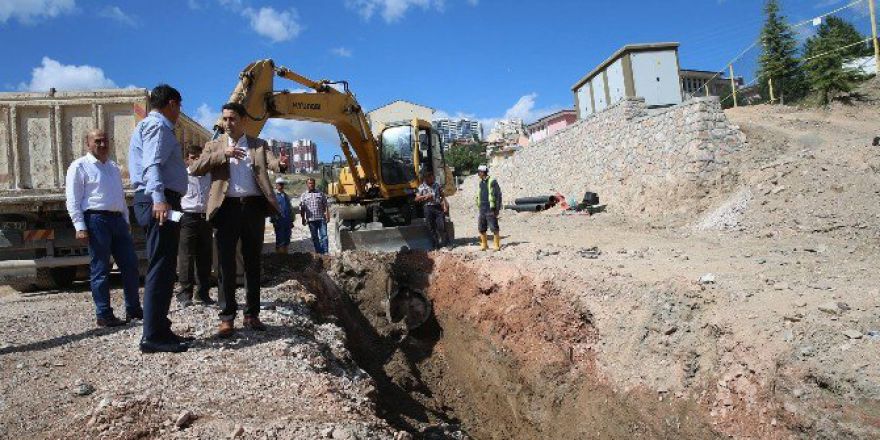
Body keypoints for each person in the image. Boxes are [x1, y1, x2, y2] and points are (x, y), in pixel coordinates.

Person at [190, 102, 287, 338]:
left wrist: (281, 164)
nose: (227, 123)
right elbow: (195, 168)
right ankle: (227, 318)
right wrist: (223, 154)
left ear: (243, 120)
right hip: (226, 209)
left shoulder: (258, 145)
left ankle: (252, 315)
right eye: (224, 119)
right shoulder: (214, 145)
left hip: (253, 208)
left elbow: (273, 164)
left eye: (232, 119)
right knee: (225, 264)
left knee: (253, 263)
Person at [129, 84, 189, 353]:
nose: (179, 113)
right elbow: (152, 164)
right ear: (172, 103)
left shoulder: (149, 125)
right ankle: (152, 335)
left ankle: (160, 328)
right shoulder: (159, 126)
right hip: (160, 200)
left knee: (165, 265)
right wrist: (160, 199)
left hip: (162, 199)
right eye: (179, 107)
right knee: (161, 267)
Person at [65, 129, 143, 328]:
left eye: (105, 141)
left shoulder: (113, 167)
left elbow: (120, 196)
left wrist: (126, 220)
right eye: (97, 141)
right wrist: (79, 226)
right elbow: (73, 199)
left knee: (131, 266)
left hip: (117, 221)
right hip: (96, 220)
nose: (102, 144)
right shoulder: (79, 166)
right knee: (100, 269)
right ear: (88, 144)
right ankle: (103, 314)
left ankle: (133, 309)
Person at [175, 144, 215, 307]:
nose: (196, 160)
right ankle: (185, 293)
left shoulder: (209, 175)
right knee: (186, 257)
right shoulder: (182, 176)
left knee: (205, 256)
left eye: (199, 157)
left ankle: (203, 293)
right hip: (188, 217)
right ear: (186, 160)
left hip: (205, 218)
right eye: (193, 157)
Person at [415, 171, 448, 249]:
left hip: (438, 207)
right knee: (431, 227)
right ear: (426, 179)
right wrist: (425, 196)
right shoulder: (421, 187)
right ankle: (436, 245)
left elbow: (442, 196)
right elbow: (416, 199)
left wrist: (445, 205)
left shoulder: (437, 185)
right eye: (430, 178)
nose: (432, 179)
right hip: (428, 208)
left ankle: (447, 243)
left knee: (441, 226)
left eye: (433, 178)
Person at [475, 164, 502, 251]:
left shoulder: (492, 181)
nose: (478, 174)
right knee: (481, 227)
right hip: (482, 208)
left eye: (479, 172)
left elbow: (498, 195)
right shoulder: (481, 182)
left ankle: (496, 245)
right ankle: (484, 244)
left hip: (490, 208)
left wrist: (497, 209)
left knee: (494, 227)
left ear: (483, 172)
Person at [299, 178, 329, 254]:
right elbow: (302, 208)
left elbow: (325, 205)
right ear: (307, 184)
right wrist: (303, 218)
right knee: (315, 237)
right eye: (309, 183)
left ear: (314, 184)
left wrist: (327, 215)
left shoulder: (320, 193)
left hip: (321, 218)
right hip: (311, 220)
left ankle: (325, 252)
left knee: (324, 236)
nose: (311, 184)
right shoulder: (303, 195)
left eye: (312, 183)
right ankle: (319, 253)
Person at [271, 177, 294, 254]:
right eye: (279, 184)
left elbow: (290, 208)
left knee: (287, 239)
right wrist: (274, 220)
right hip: (279, 221)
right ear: (276, 185)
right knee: (280, 239)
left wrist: (291, 220)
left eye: (282, 184)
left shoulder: (286, 196)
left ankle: (285, 256)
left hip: (287, 221)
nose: (281, 186)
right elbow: (271, 209)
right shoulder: (273, 196)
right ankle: (280, 258)